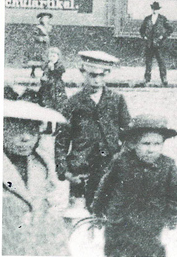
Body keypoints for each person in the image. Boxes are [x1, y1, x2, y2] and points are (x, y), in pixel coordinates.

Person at [91, 115, 177, 257]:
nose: (151, 150)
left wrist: (169, 227)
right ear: (134, 143)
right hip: (120, 230)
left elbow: (174, 200)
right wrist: (97, 218)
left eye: (157, 144)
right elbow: (104, 190)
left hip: (151, 231)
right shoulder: (121, 162)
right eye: (145, 144)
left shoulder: (168, 166)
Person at [55, 51, 131, 210]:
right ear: (83, 72)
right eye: (92, 75)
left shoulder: (116, 100)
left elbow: (128, 135)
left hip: (109, 168)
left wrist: (123, 159)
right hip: (81, 171)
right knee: (79, 216)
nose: (97, 80)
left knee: (109, 214)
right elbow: (61, 141)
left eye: (102, 75)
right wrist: (64, 172)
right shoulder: (73, 103)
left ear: (107, 74)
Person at [3, 99, 69, 256]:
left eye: (32, 131)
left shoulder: (43, 165)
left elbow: (52, 223)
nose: (25, 138)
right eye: (16, 130)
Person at [140, 2, 174, 86]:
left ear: (159, 10)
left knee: (161, 62)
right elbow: (141, 30)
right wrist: (144, 36)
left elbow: (170, 29)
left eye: (156, 9)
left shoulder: (162, 19)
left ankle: (164, 79)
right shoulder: (147, 18)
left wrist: (163, 36)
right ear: (152, 9)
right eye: (153, 9)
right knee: (148, 62)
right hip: (149, 44)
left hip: (159, 44)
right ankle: (147, 79)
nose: (155, 10)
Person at [38, 47, 67, 112]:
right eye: (50, 56)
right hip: (46, 83)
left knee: (56, 97)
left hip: (56, 83)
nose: (52, 58)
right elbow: (43, 69)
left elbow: (59, 73)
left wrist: (53, 69)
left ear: (58, 57)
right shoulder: (47, 64)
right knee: (43, 94)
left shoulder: (59, 65)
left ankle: (56, 106)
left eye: (54, 56)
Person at [29, 12, 53, 78]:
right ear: (41, 19)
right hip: (39, 46)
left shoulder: (49, 27)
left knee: (46, 59)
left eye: (47, 18)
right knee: (37, 59)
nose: (46, 20)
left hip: (47, 45)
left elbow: (51, 36)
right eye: (44, 18)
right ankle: (33, 72)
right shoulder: (38, 27)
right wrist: (40, 39)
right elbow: (34, 36)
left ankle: (45, 73)